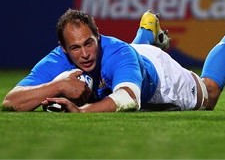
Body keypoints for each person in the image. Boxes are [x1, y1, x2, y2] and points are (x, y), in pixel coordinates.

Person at [2, 9, 224, 112]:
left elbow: (129, 99)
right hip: (133, 55)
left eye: (89, 43)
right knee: (130, 54)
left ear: (98, 36)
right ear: (64, 49)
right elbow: (11, 101)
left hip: (158, 79)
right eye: (75, 48)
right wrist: (58, 85)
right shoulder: (56, 60)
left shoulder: (117, 52)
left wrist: (82, 111)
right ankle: (146, 31)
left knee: (210, 93)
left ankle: (146, 36)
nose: (85, 53)